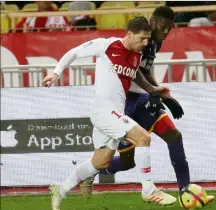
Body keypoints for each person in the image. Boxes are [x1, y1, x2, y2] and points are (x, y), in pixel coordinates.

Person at [79, 6, 215, 205]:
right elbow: (132, 72)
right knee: (127, 163)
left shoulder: (154, 43)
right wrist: (152, 92)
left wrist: (161, 93)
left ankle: (185, 190)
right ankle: (90, 171)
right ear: (152, 22)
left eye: (170, 27)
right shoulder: (141, 41)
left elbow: (145, 70)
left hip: (141, 100)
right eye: (163, 26)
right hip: (125, 105)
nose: (167, 31)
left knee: (174, 135)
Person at [42, 16, 176, 210]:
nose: (146, 43)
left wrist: (153, 90)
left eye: (148, 39)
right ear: (129, 34)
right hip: (103, 109)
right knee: (143, 138)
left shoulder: (137, 55)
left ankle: (60, 189)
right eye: (142, 38)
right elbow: (74, 52)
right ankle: (148, 189)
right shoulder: (107, 45)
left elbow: (136, 75)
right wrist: (56, 72)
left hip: (114, 112)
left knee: (101, 161)